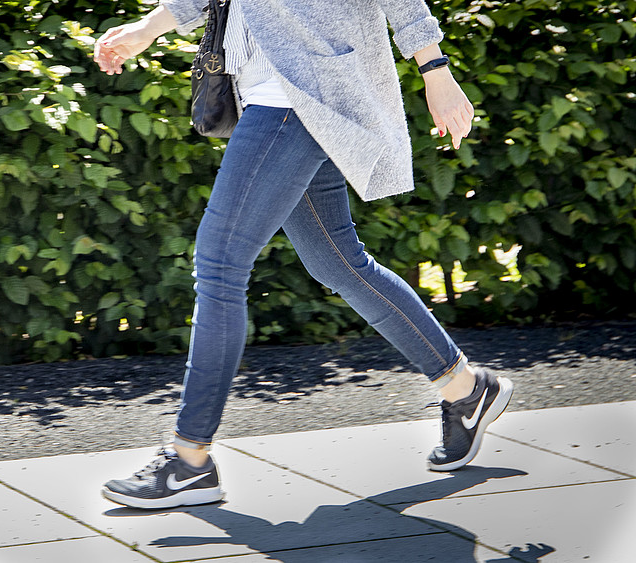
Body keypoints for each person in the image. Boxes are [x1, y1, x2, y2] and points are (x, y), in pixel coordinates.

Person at [93, 0, 514, 510]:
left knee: (220, 264)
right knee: (336, 261)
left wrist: (436, 69)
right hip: (268, 91)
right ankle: (466, 389)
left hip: (304, 91)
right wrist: (146, 29)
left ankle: (190, 460)